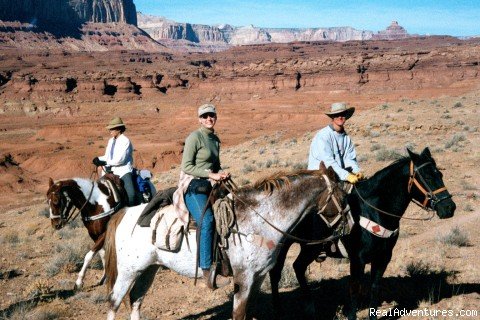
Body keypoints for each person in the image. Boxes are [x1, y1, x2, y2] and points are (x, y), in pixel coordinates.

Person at [174, 103, 230, 290]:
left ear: (215, 117)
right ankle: (206, 269)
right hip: (192, 184)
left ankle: (226, 259)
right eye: (204, 116)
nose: (208, 119)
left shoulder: (215, 139)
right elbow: (186, 167)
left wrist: (221, 173)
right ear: (199, 119)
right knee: (207, 220)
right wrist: (210, 174)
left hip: (209, 183)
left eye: (211, 115)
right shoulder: (194, 138)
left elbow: (216, 165)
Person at [308, 102, 364, 184]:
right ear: (332, 118)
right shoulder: (323, 136)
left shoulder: (346, 138)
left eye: (343, 114)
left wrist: (356, 171)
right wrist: (346, 176)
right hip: (319, 177)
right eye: (337, 115)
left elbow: (349, 158)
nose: (340, 117)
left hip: (337, 175)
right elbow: (328, 161)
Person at [92, 117, 135, 206]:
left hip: (123, 172)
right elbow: (107, 156)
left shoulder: (125, 141)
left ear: (119, 129)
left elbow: (120, 160)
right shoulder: (111, 141)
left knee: (131, 195)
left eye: (112, 129)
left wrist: (105, 163)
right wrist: (98, 159)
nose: (110, 131)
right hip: (111, 171)